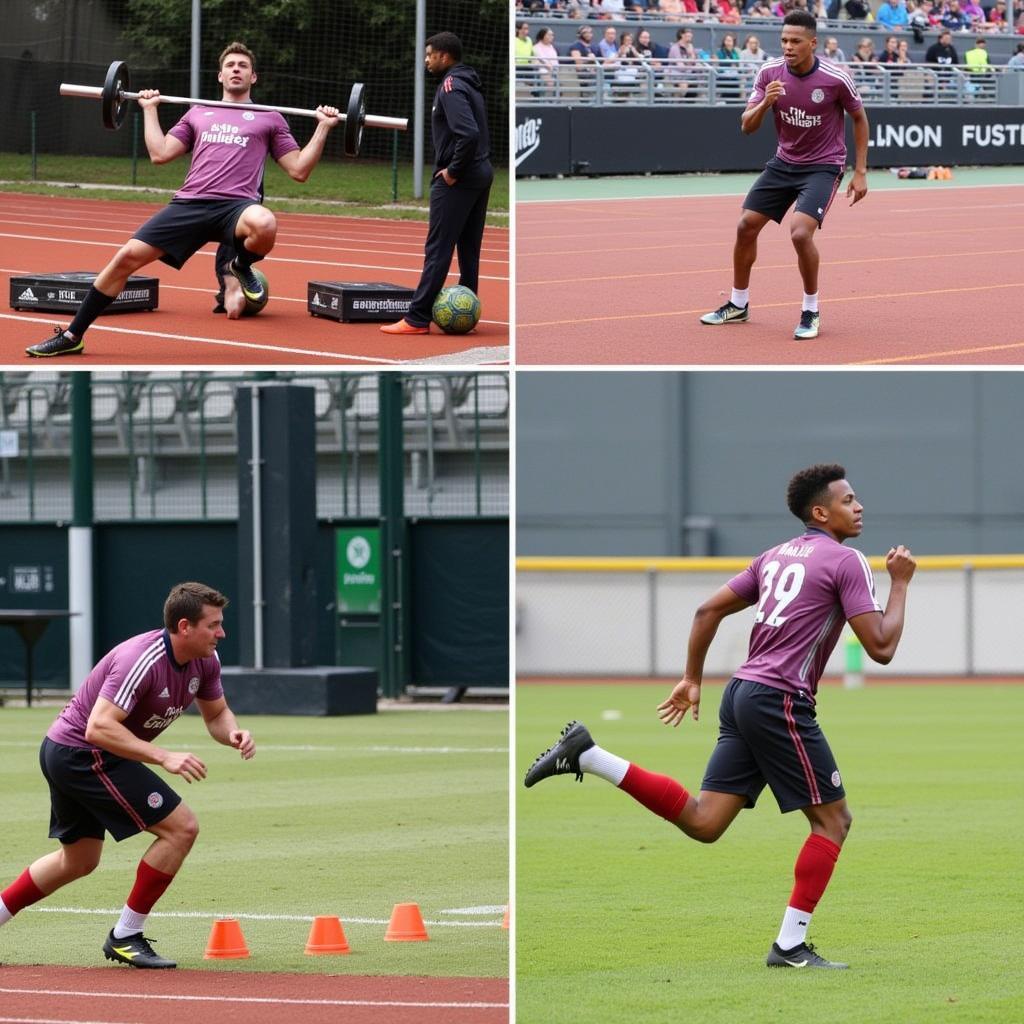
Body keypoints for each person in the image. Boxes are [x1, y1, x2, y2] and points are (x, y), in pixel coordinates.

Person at [525, 464, 917, 971]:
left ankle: (591, 755)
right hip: (779, 699)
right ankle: (790, 947)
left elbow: (706, 611)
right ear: (821, 512)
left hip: (741, 693)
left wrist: (692, 678)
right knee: (833, 821)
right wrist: (901, 584)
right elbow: (881, 647)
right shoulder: (848, 562)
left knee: (705, 823)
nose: (859, 506)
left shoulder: (773, 557)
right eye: (848, 500)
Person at [27, 42, 340, 357]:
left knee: (266, 222)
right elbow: (160, 154)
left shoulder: (269, 119)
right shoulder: (198, 112)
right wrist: (149, 110)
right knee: (125, 259)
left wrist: (323, 128)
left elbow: (299, 170)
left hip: (236, 208)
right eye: (230, 65)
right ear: (219, 76)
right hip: (190, 204)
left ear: (253, 77)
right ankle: (72, 336)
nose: (235, 69)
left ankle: (241, 265)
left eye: (242, 66)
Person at [0, 582, 254, 968]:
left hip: (77, 752)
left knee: (79, 860)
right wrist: (163, 756)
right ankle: (125, 935)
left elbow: (217, 715)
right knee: (181, 827)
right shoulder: (144, 659)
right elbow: (98, 727)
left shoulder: (206, 661)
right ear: (185, 626)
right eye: (214, 625)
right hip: (84, 753)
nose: (222, 633)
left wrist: (232, 734)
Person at [700, 11, 870, 341]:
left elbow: (860, 118)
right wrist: (766, 102)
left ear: (813, 43)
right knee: (745, 226)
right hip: (784, 163)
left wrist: (861, 171)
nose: (788, 47)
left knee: (800, 234)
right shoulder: (769, 73)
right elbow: (746, 127)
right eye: (783, 41)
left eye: (795, 41)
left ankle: (811, 310)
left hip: (823, 166)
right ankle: (738, 304)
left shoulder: (836, 78)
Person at [380, 33, 493, 335]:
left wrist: (453, 171)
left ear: (444, 56)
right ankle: (467, 310)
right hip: (481, 171)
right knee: (468, 249)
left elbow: (467, 134)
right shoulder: (470, 84)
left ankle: (417, 318)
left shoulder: (451, 87)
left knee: (438, 248)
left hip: (461, 177)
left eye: (429, 55)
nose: (426, 60)